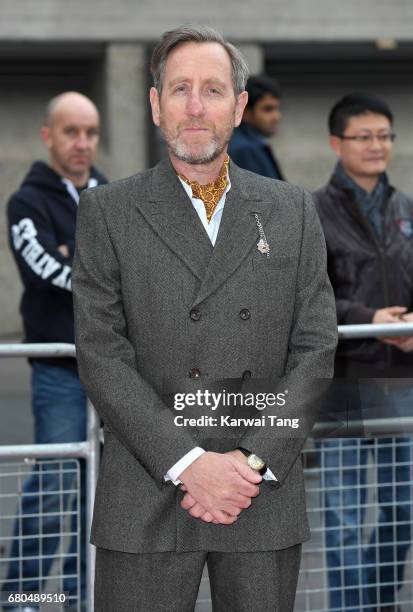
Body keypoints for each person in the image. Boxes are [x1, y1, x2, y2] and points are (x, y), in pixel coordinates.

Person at [72, 25, 337, 612]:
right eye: (180, 89)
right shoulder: (108, 211)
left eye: (213, 90)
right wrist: (189, 464)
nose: (195, 107)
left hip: (258, 491)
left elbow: (316, 349)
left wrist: (250, 462)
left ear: (239, 107)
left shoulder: (292, 209)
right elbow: (100, 355)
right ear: (154, 105)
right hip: (147, 491)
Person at [3, 91, 106, 611]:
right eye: (72, 132)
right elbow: (41, 268)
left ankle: (79, 598)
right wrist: (98, 277)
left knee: (101, 502)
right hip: (60, 372)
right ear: (49, 135)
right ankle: (19, 597)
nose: (83, 143)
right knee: (53, 491)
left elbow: (137, 269)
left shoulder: (110, 194)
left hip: (113, 374)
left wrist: (77, 260)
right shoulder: (27, 201)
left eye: (90, 132)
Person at [314, 93, 413, 612]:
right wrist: (367, 320)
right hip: (344, 380)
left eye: (385, 136)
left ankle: (374, 600)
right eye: (364, 136)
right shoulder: (312, 211)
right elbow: (308, 296)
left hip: (402, 380)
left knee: (404, 510)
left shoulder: (405, 208)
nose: (378, 146)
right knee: (345, 515)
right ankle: (353, 608)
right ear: (337, 143)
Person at [228, 74, 285, 179]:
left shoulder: (246, 141)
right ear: (245, 113)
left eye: (277, 108)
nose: (277, 117)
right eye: (268, 109)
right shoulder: (245, 150)